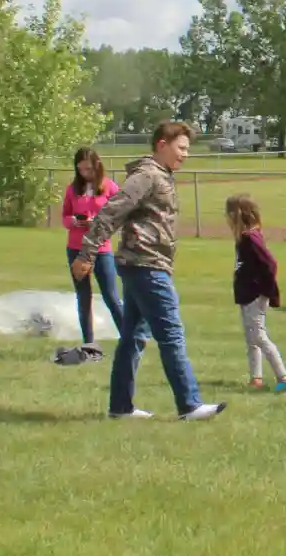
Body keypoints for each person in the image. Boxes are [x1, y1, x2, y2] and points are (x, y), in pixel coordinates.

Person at [75, 121, 225, 421]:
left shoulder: (162, 176)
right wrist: (87, 252)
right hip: (146, 266)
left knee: (132, 337)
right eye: (181, 148)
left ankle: (120, 407)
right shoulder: (147, 176)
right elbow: (112, 211)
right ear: (162, 144)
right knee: (171, 333)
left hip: (145, 265)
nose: (185, 154)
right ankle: (189, 404)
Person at [226, 194, 286, 391]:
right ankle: (256, 377)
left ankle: (284, 377)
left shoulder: (251, 239)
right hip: (246, 294)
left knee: (259, 336)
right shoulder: (244, 238)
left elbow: (270, 263)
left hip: (255, 294)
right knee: (251, 337)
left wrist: (268, 289)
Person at [61, 147, 123, 356]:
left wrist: (100, 223)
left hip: (101, 248)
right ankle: (89, 343)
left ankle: (129, 336)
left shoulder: (109, 187)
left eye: (88, 169)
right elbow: (65, 216)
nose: (85, 173)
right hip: (76, 249)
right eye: (81, 170)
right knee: (83, 296)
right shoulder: (73, 189)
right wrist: (73, 222)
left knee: (111, 295)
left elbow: (121, 212)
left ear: (97, 165)